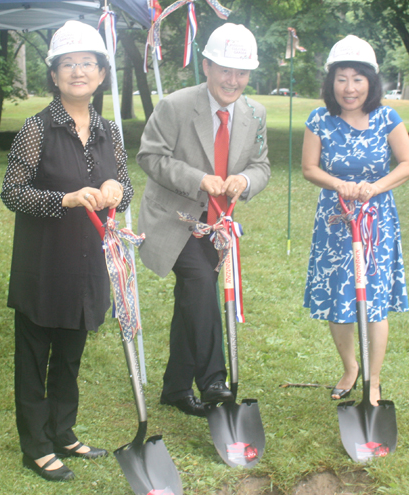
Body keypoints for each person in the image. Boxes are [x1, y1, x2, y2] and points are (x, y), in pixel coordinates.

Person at [1, 20, 134, 481]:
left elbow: (127, 188)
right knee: (35, 356)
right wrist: (66, 199)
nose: (79, 71)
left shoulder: (108, 131)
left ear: (100, 74)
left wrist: (117, 186)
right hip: (43, 263)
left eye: (88, 64)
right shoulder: (36, 129)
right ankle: (35, 445)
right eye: (68, 64)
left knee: (71, 353)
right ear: (55, 75)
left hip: (87, 263)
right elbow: (12, 192)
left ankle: (62, 430)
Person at [136, 23, 270, 417]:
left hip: (216, 225)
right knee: (199, 281)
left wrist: (243, 180)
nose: (233, 80)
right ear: (207, 66)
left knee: (191, 300)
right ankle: (213, 378)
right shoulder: (175, 106)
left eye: (241, 72)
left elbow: (261, 166)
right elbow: (150, 157)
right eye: (225, 69)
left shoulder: (255, 113)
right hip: (173, 220)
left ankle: (176, 388)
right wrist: (199, 179)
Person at [301, 35, 409, 406]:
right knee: (340, 298)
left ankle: (374, 378)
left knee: (374, 300)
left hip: (376, 222)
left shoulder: (387, 117)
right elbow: (309, 168)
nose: (349, 88)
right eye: (341, 78)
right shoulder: (319, 119)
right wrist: (340, 184)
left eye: (357, 78)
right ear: (330, 82)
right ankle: (351, 367)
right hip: (335, 222)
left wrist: (374, 187)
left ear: (370, 81)